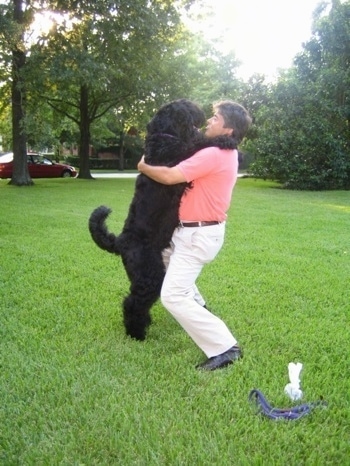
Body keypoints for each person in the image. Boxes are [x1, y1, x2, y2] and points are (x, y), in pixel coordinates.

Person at [137, 100, 252, 371]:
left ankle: (226, 348)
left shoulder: (214, 155)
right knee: (162, 257)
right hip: (191, 231)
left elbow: (169, 176)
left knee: (173, 296)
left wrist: (143, 166)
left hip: (198, 235)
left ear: (228, 129)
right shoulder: (222, 152)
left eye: (215, 118)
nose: (209, 121)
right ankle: (199, 306)